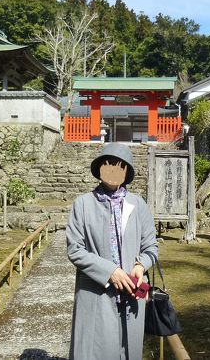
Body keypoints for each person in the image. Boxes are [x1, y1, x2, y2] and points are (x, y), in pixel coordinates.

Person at [66, 143, 158, 360]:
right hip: (96, 293)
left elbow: (151, 246)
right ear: (99, 168)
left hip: (133, 294)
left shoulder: (138, 205)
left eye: (119, 166)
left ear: (126, 172)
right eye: (107, 165)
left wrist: (140, 265)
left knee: (129, 351)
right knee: (96, 350)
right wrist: (110, 271)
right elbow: (75, 249)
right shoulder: (82, 205)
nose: (113, 170)